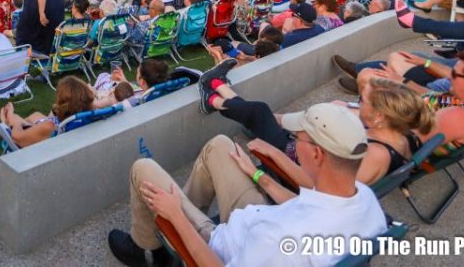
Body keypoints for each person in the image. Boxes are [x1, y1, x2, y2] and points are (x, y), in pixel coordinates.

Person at [106, 101, 386, 267]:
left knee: (142, 168)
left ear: (316, 154)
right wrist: (256, 174)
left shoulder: (278, 240)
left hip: (226, 245)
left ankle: (150, 248)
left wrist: (177, 218)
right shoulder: (363, 199)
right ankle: (172, 223)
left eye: (296, 139)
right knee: (221, 145)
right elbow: (306, 207)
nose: (293, 144)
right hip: (257, 223)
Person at [198, 61, 433, 184]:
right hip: (312, 154)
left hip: (294, 165)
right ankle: (217, 90)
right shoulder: (403, 132)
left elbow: (321, 191)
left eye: (363, 101)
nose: (358, 102)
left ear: (380, 116)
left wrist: (272, 161)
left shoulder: (376, 155)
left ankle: (213, 94)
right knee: (261, 113)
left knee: (260, 112)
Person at [0, 76, 96, 148]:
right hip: (57, 134)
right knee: (35, 115)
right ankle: (22, 124)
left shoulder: (49, 126)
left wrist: (16, 122)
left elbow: (17, 137)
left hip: (41, 146)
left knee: (14, 118)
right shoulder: (86, 116)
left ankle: (7, 123)